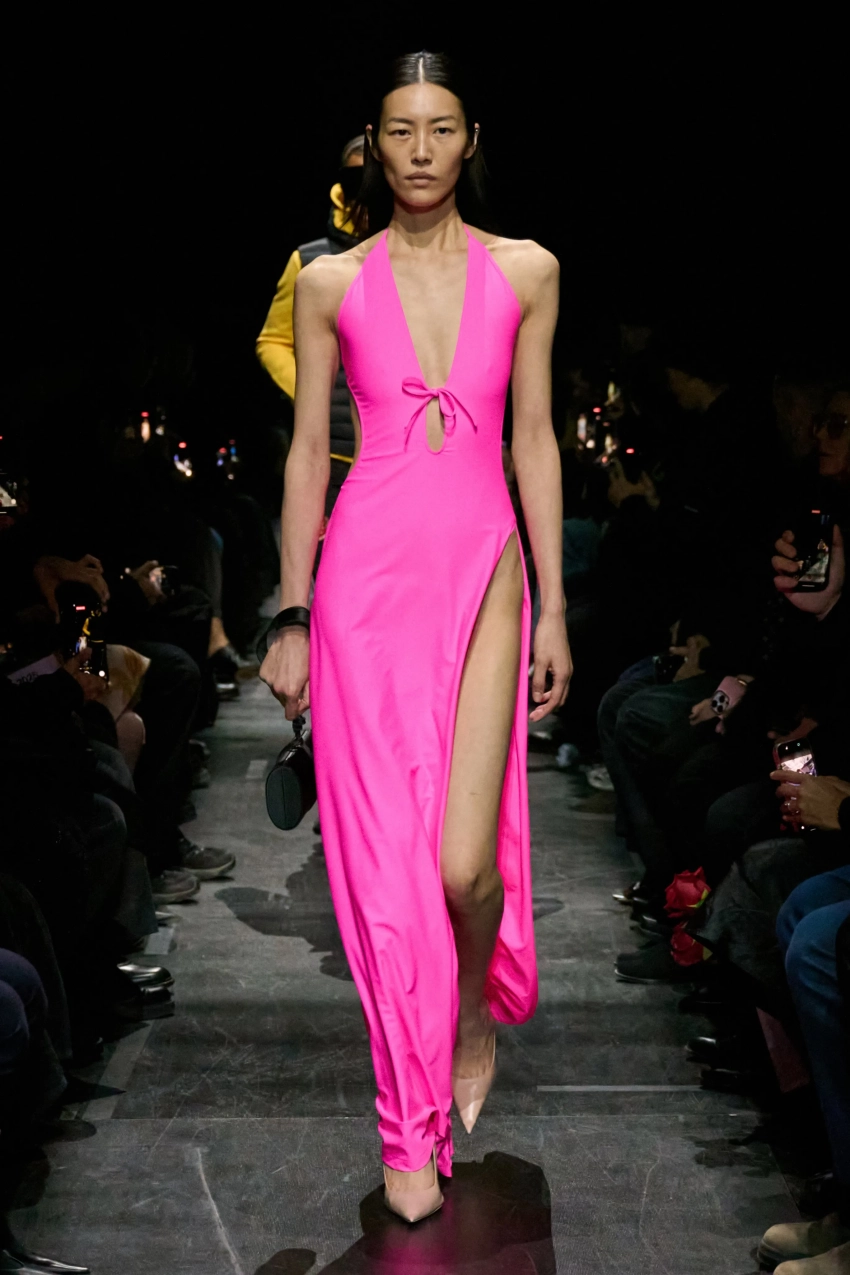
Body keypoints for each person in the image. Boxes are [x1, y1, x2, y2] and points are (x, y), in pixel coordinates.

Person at [259, 51, 571, 1223]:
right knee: (387, 878)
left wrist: (555, 605)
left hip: (484, 571)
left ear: (470, 139)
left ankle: (473, 1010)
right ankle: (407, 1127)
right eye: (402, 130)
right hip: (363, 582)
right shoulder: (329, 283)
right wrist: (292, 610)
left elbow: (533, 437)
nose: (423, 149)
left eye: (442, 128)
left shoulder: (527, 270)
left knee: (460, 868)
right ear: (374, 145)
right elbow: (307, 450)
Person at [256, 134, 365, 549]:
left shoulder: (413, 256)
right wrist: (310, 393)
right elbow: (273, 341)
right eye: (355, 177)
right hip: (333, 454)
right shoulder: (309, 260)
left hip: (401, 454)